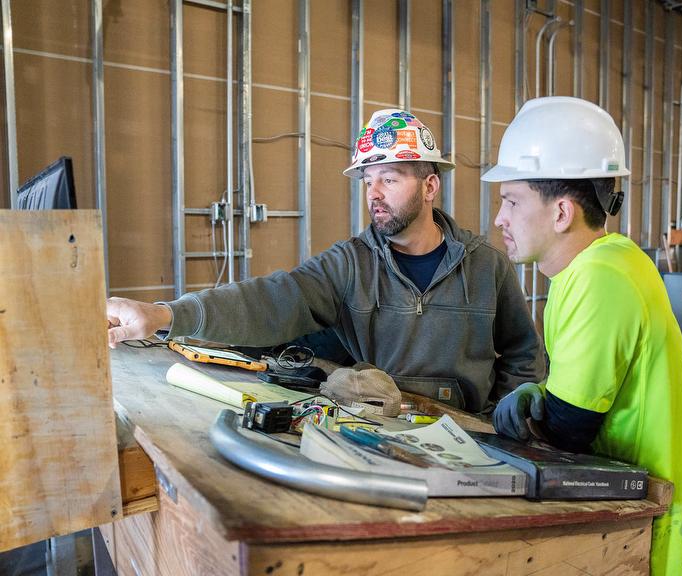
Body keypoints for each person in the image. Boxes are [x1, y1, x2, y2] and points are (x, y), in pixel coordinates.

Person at [107, 109, 544, 413]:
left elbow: (524, 355)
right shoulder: (349, 265)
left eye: (389, 179)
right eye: (368, 181)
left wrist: (501, 423)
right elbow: (271, 298)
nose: (374, 193)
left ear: (430, 186)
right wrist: (162, 314)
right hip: (380, 427)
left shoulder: (486, 265)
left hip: (467, 434)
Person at [484, 97, 682, 575]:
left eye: (511, 201)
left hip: (629, 531)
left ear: (561, 213)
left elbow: (567, 431)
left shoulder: (598, 279)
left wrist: (533, 412)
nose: (500, 218)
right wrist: (539, 394)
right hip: (620, 515)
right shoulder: (602, 264)